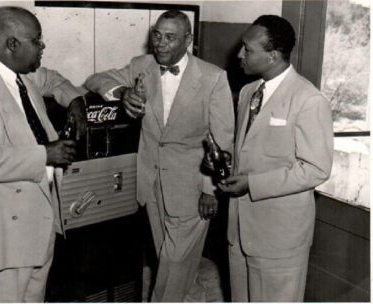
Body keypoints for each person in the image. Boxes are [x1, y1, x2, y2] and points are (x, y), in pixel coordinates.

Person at [85, 10, 234, 302]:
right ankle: (196, 298)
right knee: (173, 259)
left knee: (174, 262)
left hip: (192, 185)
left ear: (188, 40)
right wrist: (123, 91)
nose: (160, 44)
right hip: (151, 181)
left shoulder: (213, 78)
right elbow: (95, 79)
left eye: (170, 37)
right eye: (157, 35)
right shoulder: (142, 65)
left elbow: (222, 139)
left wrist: (211, 190)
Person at [0, 6, 87, 302]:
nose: (42, 47)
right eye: (37, 41)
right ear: (12, 45)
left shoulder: (23, 77)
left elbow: (55, 80)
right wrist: (44, 155)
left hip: (35, 234)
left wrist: (76, 102)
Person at [216, 15, 333, 302]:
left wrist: (251, 184)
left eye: (248, 48)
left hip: (279, 237)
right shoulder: (247, 92)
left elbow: (316, 169)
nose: (240, 54)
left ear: (274, 55)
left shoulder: (308, 99)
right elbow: (250, 150)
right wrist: (225, 162)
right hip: (240, 230)